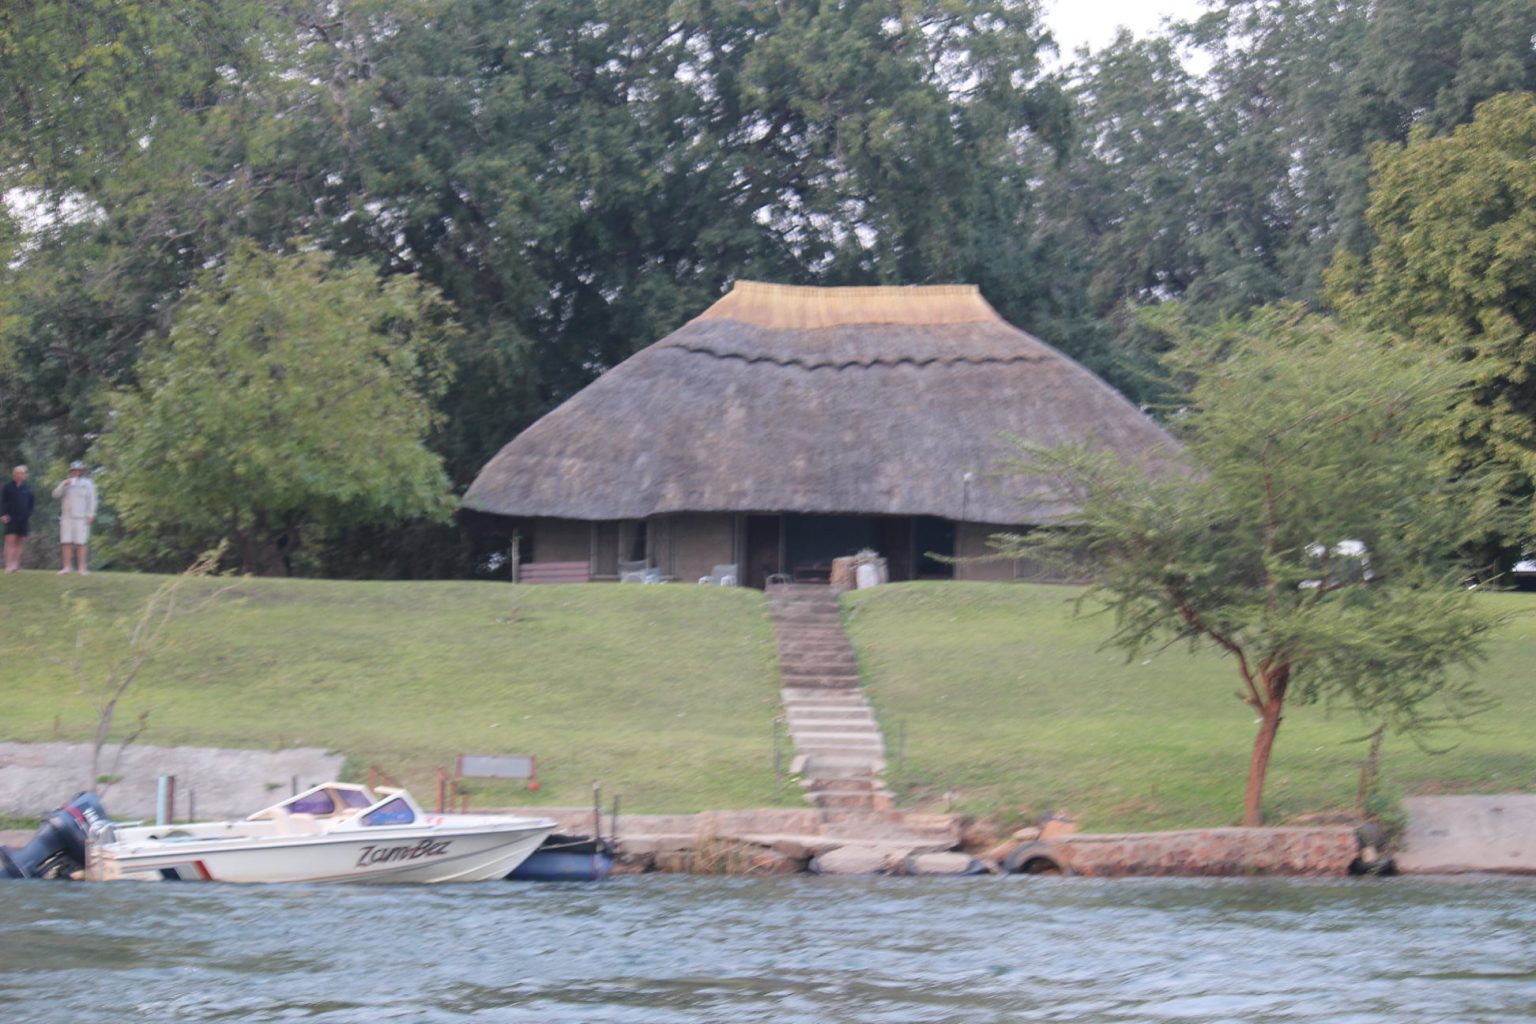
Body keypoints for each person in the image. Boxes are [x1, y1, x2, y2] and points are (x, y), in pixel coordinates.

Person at [52, 461, 97, 575]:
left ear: (81, 471)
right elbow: (55, 495)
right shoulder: (66, 483)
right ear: (70, 471)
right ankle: (67, 567)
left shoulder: (87, 483)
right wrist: (63, 484)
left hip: (81, 517)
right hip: (67, 517)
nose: (76, 472)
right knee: (66, 542)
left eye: (78, 470)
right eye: (74, 470)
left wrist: (90, 514)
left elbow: (92, 500)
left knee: (81, 543)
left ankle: (82, 568)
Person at [1, 464, 34, 573]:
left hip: (23, 519)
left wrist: (28, 514)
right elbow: (2, 501)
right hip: (10, 517)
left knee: (19, 542)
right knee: (10, 541)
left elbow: (31, 503)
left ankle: (16, 564)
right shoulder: (7, 486)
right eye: (19, 473)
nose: (21, 475)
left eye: (23, 473)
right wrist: (2, 514)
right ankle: (8, 565)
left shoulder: (28, 488)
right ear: (14, 474)